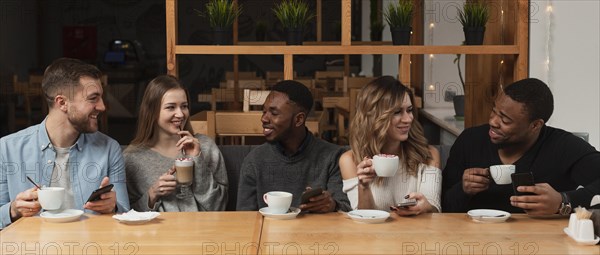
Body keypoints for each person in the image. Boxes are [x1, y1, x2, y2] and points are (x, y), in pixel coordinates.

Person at [0, 58, 129, 228]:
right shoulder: (7, 148)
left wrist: (113, 207)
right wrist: (13, 210)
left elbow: (125, 213)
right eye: (93, 98)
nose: (102, 106)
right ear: (62, 103)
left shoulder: (109, 149)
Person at [442, 78, 600, 215]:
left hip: (542, 242)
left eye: (505, 120)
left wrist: (563, 202)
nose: (493, 122)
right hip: (474, 240)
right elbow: (443, 208)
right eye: (494, 112)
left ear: (535, 125)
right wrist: (462, 190)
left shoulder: (563, 147)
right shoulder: (470, 140)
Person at [236, 80, 351, 213]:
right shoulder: (255, 160)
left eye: (274, 113)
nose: (264, 119)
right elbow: (244, 217)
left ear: (299, 119)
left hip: (318, 233)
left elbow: (346, 210)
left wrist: (332, 205)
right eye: (264, 111)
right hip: (269, 233)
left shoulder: (333, 157)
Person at [339, 76, 442, 216]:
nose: (408, 119)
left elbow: (434, 208)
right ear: (374, 117)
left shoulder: (428, 155)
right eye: (397, 112)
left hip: (416, 235)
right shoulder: (350, 160)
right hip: (375, 237)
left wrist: (426, 207)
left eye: (410, 110)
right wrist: (364, 186)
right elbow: (364, 219)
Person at [124, 75, 227, 212]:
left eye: (184, 106)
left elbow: (219, 206)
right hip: (158, 232)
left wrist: (197, 160)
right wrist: (152, 195)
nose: (180, 114)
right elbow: (125, 213)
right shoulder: (132, 158)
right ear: (152, 112)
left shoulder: (206, 146)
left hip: (204, 231)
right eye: (171, 107)